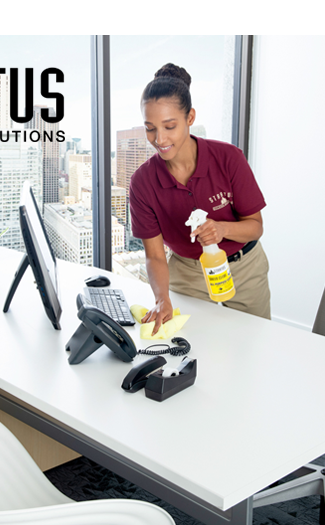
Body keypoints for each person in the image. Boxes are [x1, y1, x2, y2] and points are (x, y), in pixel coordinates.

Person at [129, 63, 271, 336]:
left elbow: (256, 226)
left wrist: (223, 229)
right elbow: (155, 255)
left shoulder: (229, 158)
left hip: (244, 269)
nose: (159, 139)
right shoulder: (143, 182)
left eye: (169, 126)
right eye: (150, 128)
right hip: (188, 274)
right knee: (191, 348)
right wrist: (161, 298)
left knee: (254, 346)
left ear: (190, 117)